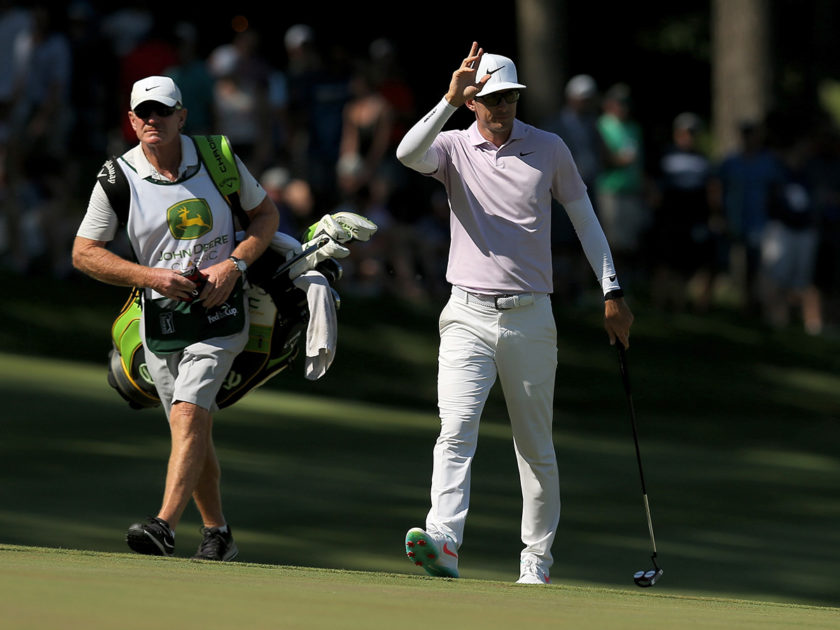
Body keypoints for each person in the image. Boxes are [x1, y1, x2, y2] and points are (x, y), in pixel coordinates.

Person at [395, 42, 634, 585]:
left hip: (530, 316)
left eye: (510, 99)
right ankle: (445, 540)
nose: (502, 109)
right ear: (474, 101)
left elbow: (586, 220)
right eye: (492, 100)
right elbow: (408, 154)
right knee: (454, 430)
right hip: (465, 313)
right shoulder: (452, 145)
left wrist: (611, 289)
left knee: (534, 444)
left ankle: (535, 562)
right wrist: (447, 100)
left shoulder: (549, 148)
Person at [71, 75, 279, 561]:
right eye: (142, 112)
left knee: (189, 412)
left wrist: (234, 264)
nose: (151, 120)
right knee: (191, 429)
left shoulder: (216, 157)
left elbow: (265, 217)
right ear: (130, 120)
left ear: (181, 116)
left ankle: (163, 525)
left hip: (221, 308)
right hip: (161, 318)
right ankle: (218, 533)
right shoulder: (117, 177)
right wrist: (150, 277)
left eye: (161, 111)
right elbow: (84, 253)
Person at [649, 112, 716, 312]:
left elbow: (711, 189)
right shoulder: (665, 155)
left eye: (692, 133)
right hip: (669, 216)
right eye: (685, 132)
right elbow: (653, 186)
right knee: (665, 262)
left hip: (694, 217)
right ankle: (660, 302)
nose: (688, 137)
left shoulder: (703, 159)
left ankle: (683, 304)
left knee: (688, 264)